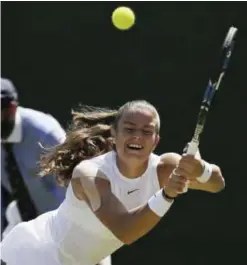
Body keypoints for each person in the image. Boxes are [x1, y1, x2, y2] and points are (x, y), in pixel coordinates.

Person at [0, 100, 225, 265]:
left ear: (156, 141)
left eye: (147, 132)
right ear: (114, 135)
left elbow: (216, 184)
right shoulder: (88, 174)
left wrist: (200, 168)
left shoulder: (165, 167)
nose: (137, 136)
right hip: (35, 255)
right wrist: (166, 194)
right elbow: (124, 230)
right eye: (129, 130)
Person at [1, 78, 66, 238]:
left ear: (11, 109)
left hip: (69, 234)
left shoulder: (46, 135)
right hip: (27, 229)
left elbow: (76, 193)